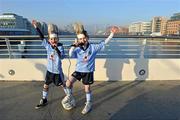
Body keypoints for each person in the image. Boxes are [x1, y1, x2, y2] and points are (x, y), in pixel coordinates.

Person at [61, 23, 118, 114]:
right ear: (78, 40)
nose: (82, 40)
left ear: (87, 38)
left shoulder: (93, 47)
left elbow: (104, 42)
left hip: (88, 71)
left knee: (87, 88)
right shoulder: (77, 49)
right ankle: (70, 96)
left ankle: (88, 103)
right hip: (78, 70)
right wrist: (73, 46)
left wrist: (111, 34)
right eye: (80, 39)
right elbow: (70, 54)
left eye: (84, 38)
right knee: (68, 82)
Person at [32, 20, 68, 109]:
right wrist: (36, 27)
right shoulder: (47, 46)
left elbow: (62, 56)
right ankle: (44, 99)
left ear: (58, 39)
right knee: (46, 85)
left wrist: (57, 49)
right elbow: (41, 37)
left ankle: (69, 96)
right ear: (49, 40)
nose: (53, 40)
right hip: (49, 71)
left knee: (63, 85)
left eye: (55, 39)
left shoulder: (60, 47)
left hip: (57, 72)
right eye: (51, 39)